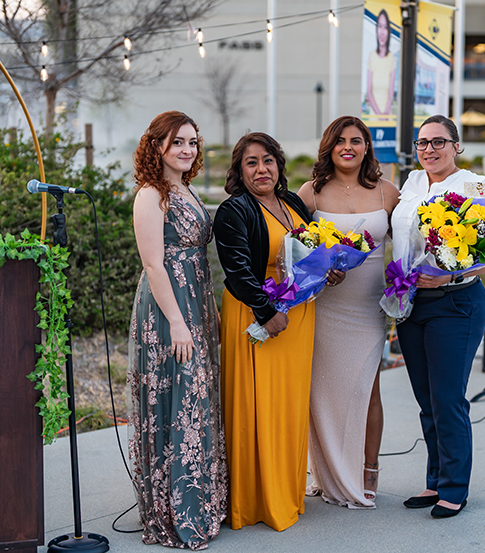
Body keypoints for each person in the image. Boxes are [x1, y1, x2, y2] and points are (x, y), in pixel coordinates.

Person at [213, 132, 344, 531]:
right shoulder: (234, 211)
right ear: (239, 170)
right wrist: (266, 311)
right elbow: (235, 270)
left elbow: (306, 252)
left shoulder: (291, 203)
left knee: (288, 405)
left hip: (299, 315)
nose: (261, 169)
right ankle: (256, 501)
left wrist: (327, 269)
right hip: (258, 315)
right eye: (251, 163)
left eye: (268, 160)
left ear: (279, 165)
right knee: (258, 405)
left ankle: (286, 490)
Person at [392, 114, 485, 519]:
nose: (429, 149)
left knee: (448, 398)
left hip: (455, 302)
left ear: (456, 146)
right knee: (427, 400)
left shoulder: (476, 187)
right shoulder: (411, 183)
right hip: (411, 303)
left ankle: (455, 488)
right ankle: (435, 481)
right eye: (423, 142)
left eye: (439, 142)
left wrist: (449, 273)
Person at [127, 111, 227, 549]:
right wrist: (176, 323)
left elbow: (198, 259)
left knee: (198, 398)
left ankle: (202, 501)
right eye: (177, 142)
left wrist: (209, 311)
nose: (187, 149)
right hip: (168, 309)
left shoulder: (184, 189)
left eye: (192, 141)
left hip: (196, 302)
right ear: (157, 147)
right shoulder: (151, 194)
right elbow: (153, 263)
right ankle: (175, 511)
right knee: (179, 397)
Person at [297, 116, 400, 509]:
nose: (348, 147)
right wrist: (317, 265)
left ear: (366, 147)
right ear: (329, 146)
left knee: (367, 388)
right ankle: (324, 472)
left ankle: (368, 469)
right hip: (326, 305)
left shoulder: (387, 192)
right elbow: (293, 244)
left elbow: (410, 244)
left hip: (368, 306)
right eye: (340, 141)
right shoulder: (311, 193)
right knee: (320, 389)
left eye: (356, 141)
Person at [366, 9, 397, 115]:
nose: (382, 32)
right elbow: (369, 91)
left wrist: (385, 114)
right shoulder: (372, 56)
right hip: (374, 113)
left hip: (387, 112)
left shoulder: (391, 58)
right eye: (380, 26)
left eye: (385, 27)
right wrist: (378, 114)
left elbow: (391, 92)